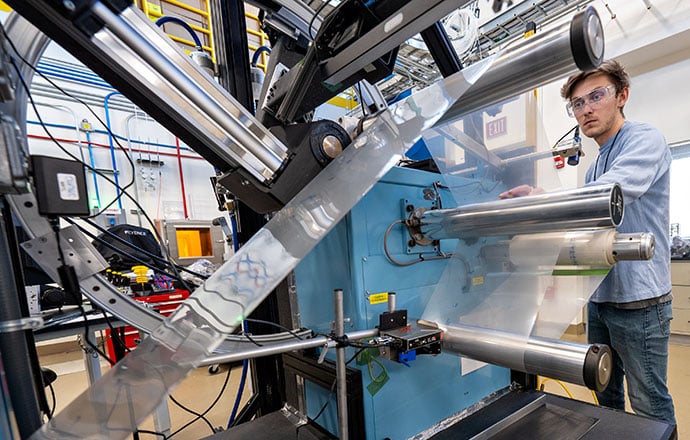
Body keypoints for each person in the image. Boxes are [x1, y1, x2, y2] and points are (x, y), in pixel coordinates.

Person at [500, 60, 676, 425]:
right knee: (605, 391)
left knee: (648, 402)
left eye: (596, 96)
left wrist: (542, 200)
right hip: (600, 297)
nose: (587, 109)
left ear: (622, 96)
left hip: (640, 302)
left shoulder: (645, 140)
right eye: (578, 104)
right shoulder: (597, 164)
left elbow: (604, 197)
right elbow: (587, 215)